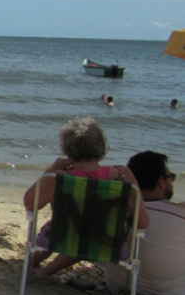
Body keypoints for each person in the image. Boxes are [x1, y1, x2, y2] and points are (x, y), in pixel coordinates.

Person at [23, 117, 149, 276]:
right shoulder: (123, 175)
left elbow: (29, 203)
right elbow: (142, 222)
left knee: (61, 229)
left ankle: (32, 265)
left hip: (62, 239)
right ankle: (45, 271)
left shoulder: (58, 178)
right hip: (109, 244)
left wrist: (51, 169)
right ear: (102, 146)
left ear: (67, 148)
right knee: (89, 228)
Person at [104, 152, 185, 295]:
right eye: (171, 177)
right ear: (161, 182)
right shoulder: (180, 215)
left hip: (117, 285)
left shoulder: (116, 210)